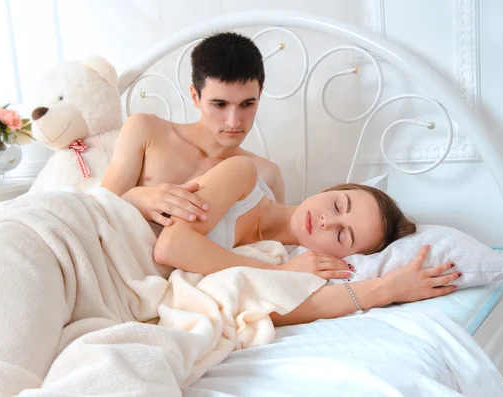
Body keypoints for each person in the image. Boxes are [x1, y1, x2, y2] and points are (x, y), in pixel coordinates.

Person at [152, 156, 460, 325]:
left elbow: (283, 309)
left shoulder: (291, 260)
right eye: (339, 205)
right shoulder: (243, 177)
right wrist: (278, 275)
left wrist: (388, 289)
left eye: (342, 235)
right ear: (333, 189)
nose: (327, 220)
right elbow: (171, 246)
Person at [101, 31, 285, 233]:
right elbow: (98, 210)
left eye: (247, 104)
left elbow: (274, 245)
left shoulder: (266, 175)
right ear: (195, 96)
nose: (234, 121)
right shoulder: (146, 131)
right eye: (219, 104)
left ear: (260, 95)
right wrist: (137, 198)